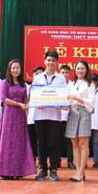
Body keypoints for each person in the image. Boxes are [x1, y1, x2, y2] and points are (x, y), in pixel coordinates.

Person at [0, 59, 37, 179]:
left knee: (19, 142)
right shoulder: (5, 83)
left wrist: (31, 94)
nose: (15, 70)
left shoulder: (23, 84)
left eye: (17, 68)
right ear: (9, 69)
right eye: (13, 68)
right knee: (8, 142)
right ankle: (6, 171)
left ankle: (19, 171)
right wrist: (18, 104)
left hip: (20, 116)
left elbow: (24, 101)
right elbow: (4, 99)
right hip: (9, 115)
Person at [32, 50, 66, 181]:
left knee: (54, 143)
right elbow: (34, 95)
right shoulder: (38, 77)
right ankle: (42, 169)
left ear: (57, 63)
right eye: (49, 60)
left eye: (53, 61)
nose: (51, 63)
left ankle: (53, 169)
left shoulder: (61, 78)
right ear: (44, 61)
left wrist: (60, 103)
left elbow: (63, 96)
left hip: (55, 116)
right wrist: (37, 103)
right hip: (40, 115)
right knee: (41, 143)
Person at [65, 60, 96, 182]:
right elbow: (67, 99)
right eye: (78, 68)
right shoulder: (71, 84)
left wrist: (77, 98)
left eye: (82, 68)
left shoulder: (90, 84)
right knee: (75, 143)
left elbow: (91, 102)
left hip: (84, 112)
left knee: (83, 143)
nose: (80, 71)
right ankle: (77, 171)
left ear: (86, 70)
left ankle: (82, 171)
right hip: (72, 112)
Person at [27, 66, 45, 162]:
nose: (38, 76)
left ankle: (41, 160)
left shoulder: (47, 89)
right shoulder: (28, 88)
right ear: (33, 75)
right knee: (31, 140)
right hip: (31, 118)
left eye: (40, 74)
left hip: (43, 117)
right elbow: (25, 103)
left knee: (41, 141)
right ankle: (31, 160)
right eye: (36, 74)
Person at [59, 64, 75, 169]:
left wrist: (68, 105)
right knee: (56, 140)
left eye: (66, 73)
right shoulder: (56, 84)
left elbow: (75, 99)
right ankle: (57, 161)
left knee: (70, 141)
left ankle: (70, 161)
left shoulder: (73, 85)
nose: (64, 75)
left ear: (70, 74)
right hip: (57, 116)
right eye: (63, 73)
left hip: (70, 116)